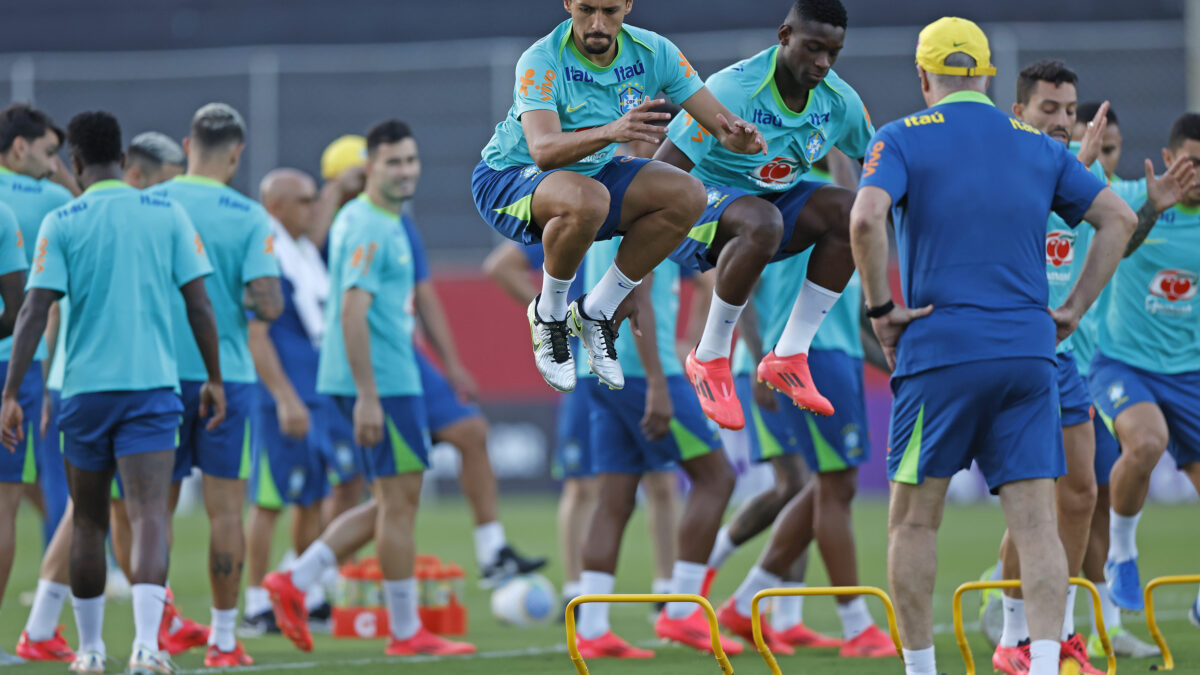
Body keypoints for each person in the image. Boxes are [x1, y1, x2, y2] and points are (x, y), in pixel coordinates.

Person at [850, 17, 1135, 675]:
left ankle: (921, 669)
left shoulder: (899, 138)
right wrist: (1073, 308)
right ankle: (1040, 662)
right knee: (1036, 523)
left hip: (938, 354)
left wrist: (882, 310)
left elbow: (865, 217)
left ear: (925, 77)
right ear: (987, 77)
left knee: (915, 522)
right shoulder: (1038, 146)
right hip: (1027, 355)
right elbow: (1117, 219)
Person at [0, 110, 224, 675]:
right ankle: (148, 648)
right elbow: (200, 304)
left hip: (85, 391)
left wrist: (9, 391)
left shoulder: (63, 218)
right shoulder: (166, 212)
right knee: (150, 514)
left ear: (73, 163)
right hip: (151, 386)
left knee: (91, 520)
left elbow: (33, 310)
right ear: (124, 160)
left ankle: (91, 651)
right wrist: (215, 377)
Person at [472, 0, 765, 395]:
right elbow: (542, 150)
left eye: (609, 10)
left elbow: (721, 124)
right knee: (590, 199)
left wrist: (739, 138)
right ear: (568, 4)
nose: (597, 23)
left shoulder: (654, 52)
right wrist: (612, 131)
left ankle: (597, 310)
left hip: (589, 175)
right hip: (507, 179)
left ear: (628, 5)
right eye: (586, 9)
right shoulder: (540, 59)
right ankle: (549, 315)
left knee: (688, 194)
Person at [265, 120, 475, 657]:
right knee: (400, 504)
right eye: (393, 162)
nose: (406, 171)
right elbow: (351, 313)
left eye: (411, 160)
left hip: (386, 379)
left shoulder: (381, 220)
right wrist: (367, 395)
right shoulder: (367, 226)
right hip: (380, 382)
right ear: (369, 169)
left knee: (389, 500)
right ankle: (406, 633)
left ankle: (294, 580)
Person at [655, 0, 874, 430]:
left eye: (833, 52)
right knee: (762, 220)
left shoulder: (839, 102)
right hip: (693, 217)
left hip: (763, 216)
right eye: (813, 48)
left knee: (852, 209)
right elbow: (660, 175)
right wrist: (633, 270)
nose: (822, 63)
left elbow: (880, 161)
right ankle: (709, 356)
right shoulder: (731, 91)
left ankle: (789, 355)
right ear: (785, 36)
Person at [713, 171, 897, 660]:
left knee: (820, 487)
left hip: (826, 354)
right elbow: (741, 285)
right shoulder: (812, 201)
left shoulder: (832, 207)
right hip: (810, 357)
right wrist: (753, 358)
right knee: (831, 487)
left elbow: (852, 317)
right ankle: (856, 626)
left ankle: (749, 601)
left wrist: (896, 365)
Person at [150, 102, 283, 666]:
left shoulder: (154, 203)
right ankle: (225, 642)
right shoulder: (249, 215)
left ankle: (151, 633)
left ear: (186, 145)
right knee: (227, 513)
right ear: (237, 152)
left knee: (151, 511)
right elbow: (269, 303)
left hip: (155, 377)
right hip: (225, 377)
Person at [571, 238, 740, 659]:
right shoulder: (642, 210)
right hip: (642, 371)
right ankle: (682, 611)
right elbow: (637, 293)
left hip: (597, 369)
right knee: (716, 478)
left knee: (615, 500)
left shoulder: (610, 208)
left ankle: (591, 629)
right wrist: (660, 385)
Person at [1092, 113, 1200, 622]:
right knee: (1147, 443)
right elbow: (1117, 247)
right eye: (1193, 163)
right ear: (1174, 156)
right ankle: (1122, 553)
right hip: (1124, 363)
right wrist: (1154, 209)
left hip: (1191, 371)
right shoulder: (1139, 194)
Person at [241, 168, 334, 635]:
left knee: (312, 497)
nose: (314, 207)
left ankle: (301, 590)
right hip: (286, 395)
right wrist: (284, 397)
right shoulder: (268, 257)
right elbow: (256, 336)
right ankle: (257, 600)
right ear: (276, 206)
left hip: (313, 393)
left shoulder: (299, 252)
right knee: (270, 500)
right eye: (305, 200)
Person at [0, 104, 72, 556]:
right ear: (19, 147)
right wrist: (67, 178)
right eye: (48, 154)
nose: (50, 167)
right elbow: (98, 203)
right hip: (18, 359)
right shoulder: (52, 200)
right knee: (6, 502)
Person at [1073, 103, 1123, 183]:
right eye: (1086, 149)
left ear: (1119, 145)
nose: (1100, 162)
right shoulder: (1050, 191)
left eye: (1108, 150)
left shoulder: (1128, 194)